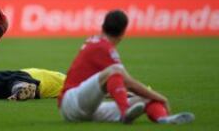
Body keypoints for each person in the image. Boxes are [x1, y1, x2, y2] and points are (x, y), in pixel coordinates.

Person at [58, 10, 194, 124]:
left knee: (146, 98)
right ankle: (125, 112)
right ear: (123, 32)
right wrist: (161, 97)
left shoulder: (96, 41)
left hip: (88, 109)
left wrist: (152, 96)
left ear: (103, 26)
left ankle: (163, 119)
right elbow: (128, 82)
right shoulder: (103, 47)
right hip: (71, 102)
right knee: (116, 71)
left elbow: (119, 83)